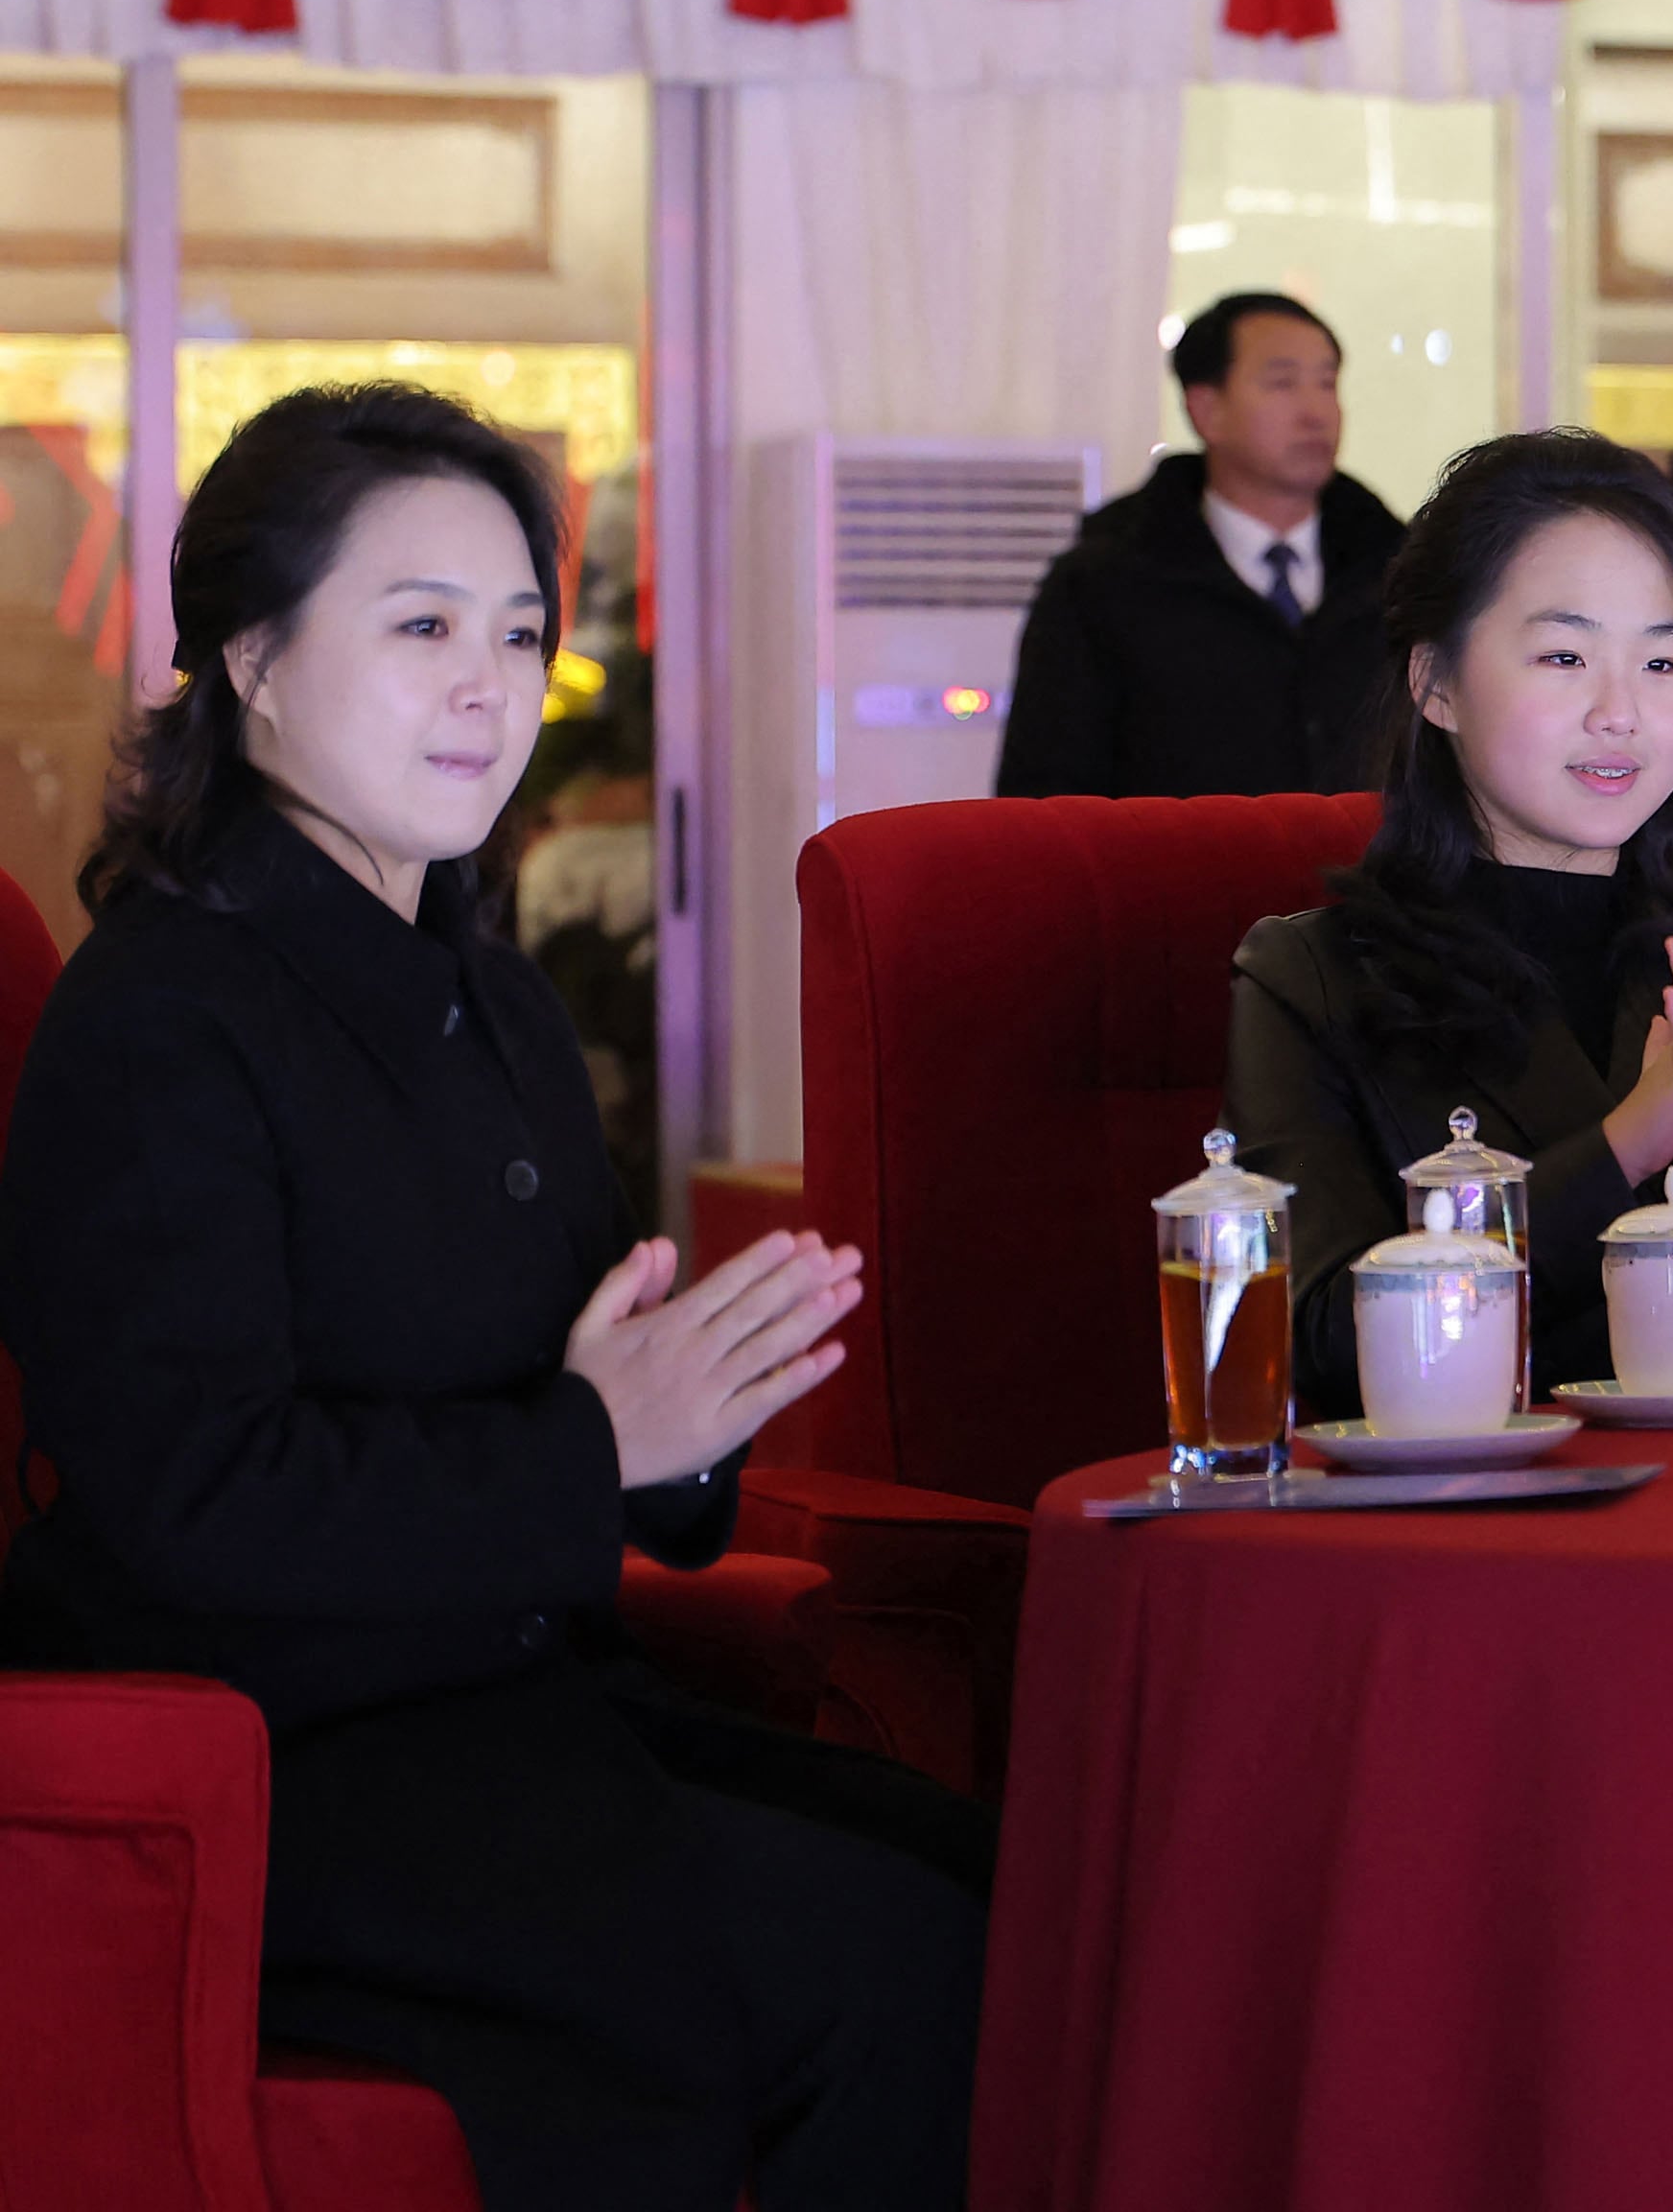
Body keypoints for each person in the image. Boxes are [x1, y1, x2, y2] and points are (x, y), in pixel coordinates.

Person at [0, 386, 986, 2210]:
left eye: (521, 631)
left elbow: (592, 1408)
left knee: (987, 1875)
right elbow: (200, 1498)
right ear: (252, 659)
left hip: (512, 1709)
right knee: (890, 1968)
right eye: (421, 626)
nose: (492, 682)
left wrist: (694, 1413)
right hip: (281, 1753)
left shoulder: (497, 994)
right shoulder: (159, 1023)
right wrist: (605, 1435)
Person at [1224, 428, 1673, 1420]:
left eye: (1661, 663)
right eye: (1564, 655)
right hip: (1478, 1543)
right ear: (1435, 683)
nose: (1621, 713)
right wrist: (1621, 1151)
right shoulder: (1315, 976)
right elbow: (1321, 1354)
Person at [996, 290, 1406, 796]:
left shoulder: (1400, 576)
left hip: (1367, 874)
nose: (1316, 412)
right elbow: (1043, 798)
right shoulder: (1103, 585)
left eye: (1327, 383)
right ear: (1206, 409)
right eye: (1283, 384)